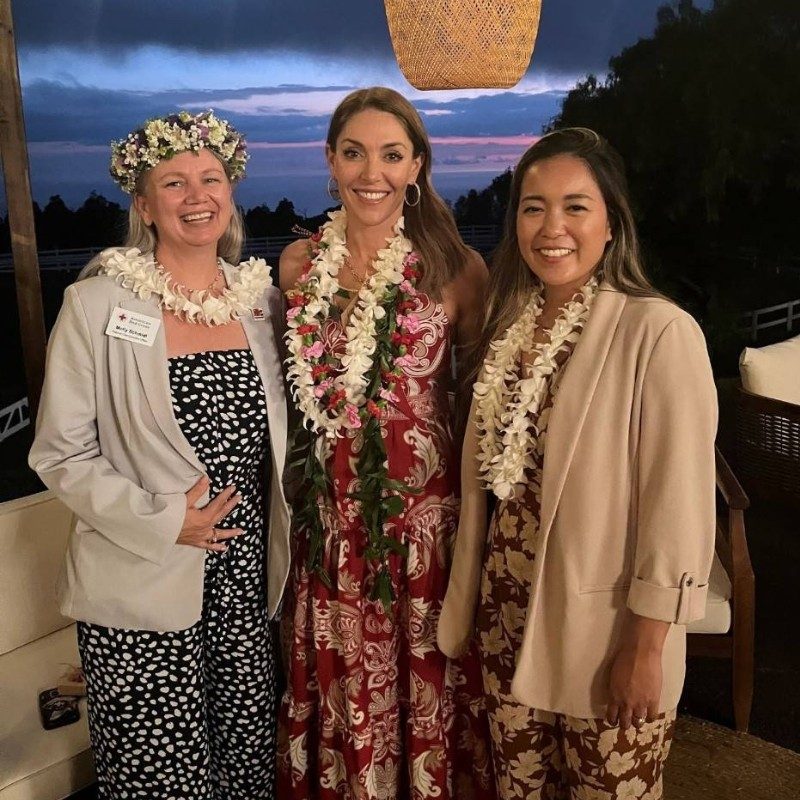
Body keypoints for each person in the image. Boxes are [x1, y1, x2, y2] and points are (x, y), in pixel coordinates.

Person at [438, 127, 717, 799]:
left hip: (603, 638)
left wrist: (646, 648)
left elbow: (677, 503)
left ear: (612, 223)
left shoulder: (657, 332)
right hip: (506, 627)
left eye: (575, 206)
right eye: (533, 207)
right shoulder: (510, 327)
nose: (551, 226)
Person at [28, 110, 290, 799]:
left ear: (229, 192)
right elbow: (60, 452)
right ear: (143, 205)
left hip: (244, 587)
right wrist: (164, 520)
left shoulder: (262, 304)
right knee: (159, 780)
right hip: (139, 578)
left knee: (246, 769)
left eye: (210, 178)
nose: (196, 195)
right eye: (173, 183)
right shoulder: (93, 304)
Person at [277, 87, 495, 799]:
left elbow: (479, 405)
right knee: (344, 688)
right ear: (331, 161)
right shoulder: (296, 267)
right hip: (332, 530)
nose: (372, 172)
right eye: (354, 152)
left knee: (429, 683)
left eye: (391, 154)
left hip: (423, 536)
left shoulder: (458, 269)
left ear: (417, 165)